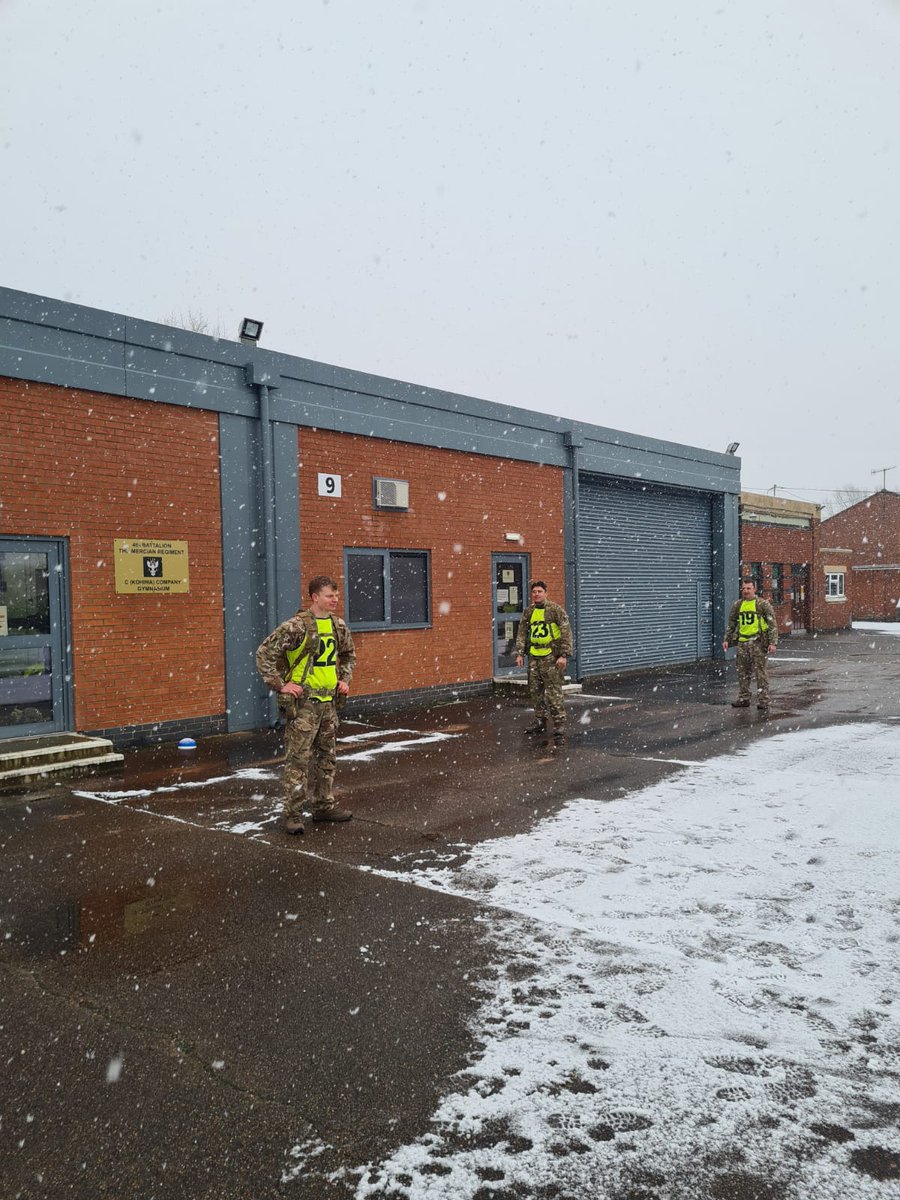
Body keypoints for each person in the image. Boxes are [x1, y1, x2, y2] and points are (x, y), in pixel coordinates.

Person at [256, 574, 356, 834]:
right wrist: (280, 684)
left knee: (327, 759)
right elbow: (264, 653)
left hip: (328, 704)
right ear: (314, 597)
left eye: (336, 595)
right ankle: (293, 815)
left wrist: (344, 679)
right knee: (298, 763)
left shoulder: (338, 626)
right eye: (329, 595)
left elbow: (348, 655)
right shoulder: (296, 627)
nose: (335, 599)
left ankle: (323, 806)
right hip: (304, 706)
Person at [515, 580, 574, 744]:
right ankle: (540, 721)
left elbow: (566, 633)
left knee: (554, 692)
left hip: (551, 658)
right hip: (534, 657)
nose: (537, 594)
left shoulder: (555, 610)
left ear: (546, 593)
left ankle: (559, 724)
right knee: (535, 691)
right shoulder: (528, 612)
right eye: (534, 592)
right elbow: (521, 633)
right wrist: (520, 653)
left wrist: (563, 655)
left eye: (540, 591)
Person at [723, 577, 778, 711]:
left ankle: (763, 700)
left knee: (760, 673)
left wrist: (773, 642)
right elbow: (731, 624)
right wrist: (727, 639)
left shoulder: (762, 604)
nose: (746, 591)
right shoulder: (738, 605)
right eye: (744, 588)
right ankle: (744, 698)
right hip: (742, 643)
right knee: (743, 672)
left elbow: (772, 624)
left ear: (754, 589)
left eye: (749, 588)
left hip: (758, 643)